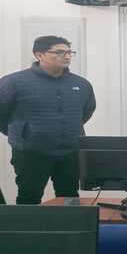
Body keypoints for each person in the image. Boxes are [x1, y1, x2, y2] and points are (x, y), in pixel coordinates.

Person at [0, 35, 96, 205]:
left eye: (69, 52)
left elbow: (86, 111)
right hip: (30, 153)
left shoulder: (81, 84)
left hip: (70, 152)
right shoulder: (13, 82)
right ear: (39, 55)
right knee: (29, 198)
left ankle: (68, 223)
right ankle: (29, 224)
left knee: (69, 197)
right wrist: (22, 133)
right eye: (59, 52)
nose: (66, 56)